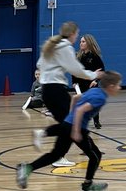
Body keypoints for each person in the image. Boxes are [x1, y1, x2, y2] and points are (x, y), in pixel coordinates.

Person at [16, 71, 123, 191]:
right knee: (95, 155)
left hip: (68, 124)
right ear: (111, 86)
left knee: (56, 155)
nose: (120, 88)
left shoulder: (95, 91)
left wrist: (70, 116)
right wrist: (76, 131)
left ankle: (27, 168)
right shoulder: (101, 98)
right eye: (118, 85)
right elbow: (81, 110)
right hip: (77, 128)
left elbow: (76, 98)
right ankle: (87, 185)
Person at [32, 21, 103, 165]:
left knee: (67, 124)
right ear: (71, 34)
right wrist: (93, 75)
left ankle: (59, 153)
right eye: (77, 34)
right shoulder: (65, 47)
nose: (77, 38)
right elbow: (76, 70)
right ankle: (47, 138)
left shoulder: (51, 45)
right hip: (56, 90)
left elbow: (39, 64)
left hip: (47, 90)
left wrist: (52, 69)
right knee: (71, 124)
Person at [75, 33, 105, 129]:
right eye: (80, 41)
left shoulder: (95, 56)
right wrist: (74, 82)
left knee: (93, 103)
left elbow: (102, 70)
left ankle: (96, 121)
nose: (81, 43)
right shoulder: (78, 56)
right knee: (81, 103)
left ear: (88, 43)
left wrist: (96, 80)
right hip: (81, 84)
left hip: (92, 84)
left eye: (83, 42)